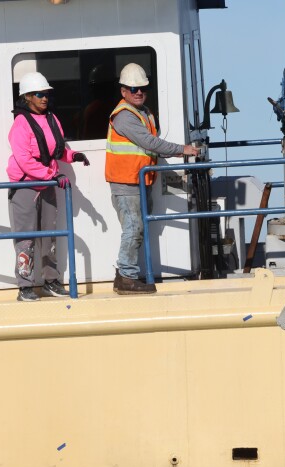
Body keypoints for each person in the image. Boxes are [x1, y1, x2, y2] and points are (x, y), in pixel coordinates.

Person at [105, 63, 198, 294]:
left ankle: (126, 276)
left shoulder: (144, 113)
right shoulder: (124, 117)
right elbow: (150, 143)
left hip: (140, 181)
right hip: (126, 183)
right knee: (133, 228)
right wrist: (182, 150)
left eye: (142, 88)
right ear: (123, 91)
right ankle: (126, 277)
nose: (138, 92)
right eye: (133, 88)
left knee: (138, 229)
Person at [7, 71, 90, 302]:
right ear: (27, 97)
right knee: (26, 238)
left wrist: (73, 156)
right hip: (26, 186)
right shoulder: (20, 124)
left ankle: (51, 281)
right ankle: (25, 286)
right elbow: (24, 160)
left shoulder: (51, 118)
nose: (44, 98)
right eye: (39, 94)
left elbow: (56, 150)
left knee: (50, 235)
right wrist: (51, 175)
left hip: (48, 183)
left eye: (46, 94)